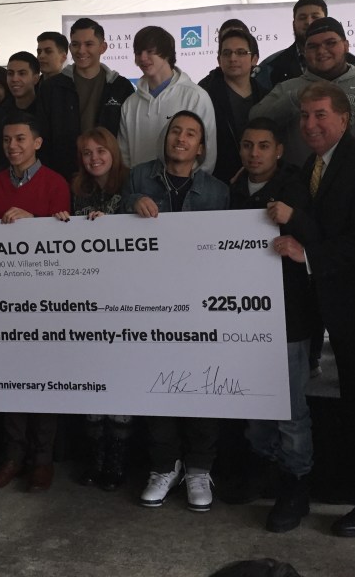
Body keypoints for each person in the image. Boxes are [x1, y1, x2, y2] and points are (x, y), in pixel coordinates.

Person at [271, 82, 355, 537]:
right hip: (329, 308)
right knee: (353, 409)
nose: (310, 124)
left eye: (321, 115)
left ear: (345, 119)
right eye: (304, 116)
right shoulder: (312, 165)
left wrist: (305, 249)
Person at [0, 112, 69, 492]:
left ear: (37, 143)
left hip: (48, 300)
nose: (12, 146)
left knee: (46, 381)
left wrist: (34, 221)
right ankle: (12, 458)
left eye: (20, 139)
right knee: (12, 379)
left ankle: (42, 460)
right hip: (6, 300)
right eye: (7, 140)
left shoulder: (55, 184)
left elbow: (65, 242)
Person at [123, 111, 230, 512]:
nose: (181, 139)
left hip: (201, 304)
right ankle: (164, 466)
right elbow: (115, 223)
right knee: (159, 386)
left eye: (190, 135)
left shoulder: (217, 191)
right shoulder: (138, 177)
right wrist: (133, 202)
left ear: (201, 147)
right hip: (149, 300)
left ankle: (200, 467)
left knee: (205, 386)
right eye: (175, 132)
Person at [225, 118, 313, 533]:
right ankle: (263, 471)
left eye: (263, 146)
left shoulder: (298, 189)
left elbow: (324, 240)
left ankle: (296, 486)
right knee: (254, 404)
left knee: (291, 411)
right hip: (241, 316)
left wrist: (294, 222)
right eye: (247, 146)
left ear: (279, 150)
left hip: (289, 316)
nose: (254, 153)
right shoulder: (231, 191)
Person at [53, 127, 132, 490]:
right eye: (86, 152)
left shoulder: (130, 185)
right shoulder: (74, 189)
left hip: (123, 298)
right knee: (92, 382)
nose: (94, 158)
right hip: (85, 298)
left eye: (101, 151)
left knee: (121, 383)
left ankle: (117, 464)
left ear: (113, 152)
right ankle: (95, 459)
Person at [250, 17, 355, 167]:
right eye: (313, 46)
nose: (321, 51)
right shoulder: (288, 88)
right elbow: (255, 121)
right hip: (299, 183)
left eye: (330, 43)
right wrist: (294, 99)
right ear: (304, 51)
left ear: (346, 45)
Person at [37, 17, 134, 180]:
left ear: (103, 47)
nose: (81, 50)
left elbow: (128, 138)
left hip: (110, 179)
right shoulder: (51, 88)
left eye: (88, 44)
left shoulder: (121, 87)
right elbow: (43, 138)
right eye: (75, 44)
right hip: (64, 176)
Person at [119, 25, 218, 174]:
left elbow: (208, 155)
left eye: (150, 51)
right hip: (140, 192)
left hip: (184, 192)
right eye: (138, 52)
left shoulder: (195, 97)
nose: (143, 58)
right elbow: (124, 157)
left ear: (166, 54)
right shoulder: (130, 104)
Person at [199, 28, 269, 184]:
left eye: (241, 52)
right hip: (215, 183)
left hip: (258, 183)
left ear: (254, 59)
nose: (233, 58)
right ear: (219, 60)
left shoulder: (267, 97)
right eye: (227, 53)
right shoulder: (204, 96)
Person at [254, 0, 355, 89]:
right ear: (293, 24)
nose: (309, 22)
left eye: (315, 17)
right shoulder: (271, 67)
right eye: (302, 18)